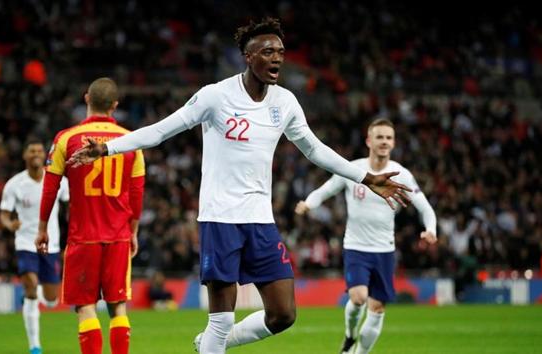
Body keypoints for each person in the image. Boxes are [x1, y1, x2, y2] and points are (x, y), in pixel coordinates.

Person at [67, 18, 411, 354]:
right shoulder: (215, 96)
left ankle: (214, 345)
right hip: (220, 218)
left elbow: (314, 149)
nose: (276, 57)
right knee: (221, 318)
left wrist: (365, 176)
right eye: (267, 51)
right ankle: (215, 340)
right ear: (248, 57)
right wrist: (108, 147)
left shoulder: (285, 102)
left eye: (280, 51)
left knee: (283, 314)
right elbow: (161, 129)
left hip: (260, 220)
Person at [295, 118, 437, 354]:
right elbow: (327, 189)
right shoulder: (355, 169)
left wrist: (430, 229)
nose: (384, 142)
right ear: (369, 141)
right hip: (356, 246)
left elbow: (425, 208)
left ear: (393, 143)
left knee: (377, 307)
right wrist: (309, 203)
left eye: (388, 138)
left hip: (384, 250)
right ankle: (350, 335)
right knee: (359, 297)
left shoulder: (401, 174)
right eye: (379, 137)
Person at [35, 78, 145, 354]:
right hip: (118, 236)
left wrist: (42, 228)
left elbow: (50, 188)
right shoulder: (132, 141)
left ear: (87, 99)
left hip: (83, 238)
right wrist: (133, 232)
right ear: (115, 106)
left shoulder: (66, 139)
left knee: (85, 307)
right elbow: (136, 194)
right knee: (118, 306)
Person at [0, 139, 69, 354]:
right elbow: (4, 215)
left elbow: (71, 205)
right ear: (25, 155)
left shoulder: (60, 181)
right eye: (32, 151)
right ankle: (35, 347)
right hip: (25, 242)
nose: (36, 153)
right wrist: (11, 224)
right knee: (30, 283)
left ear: (45, 155)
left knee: (50, 300)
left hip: (51, 244)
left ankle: (35, 295)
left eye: (39, 150)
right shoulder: (14, 184)